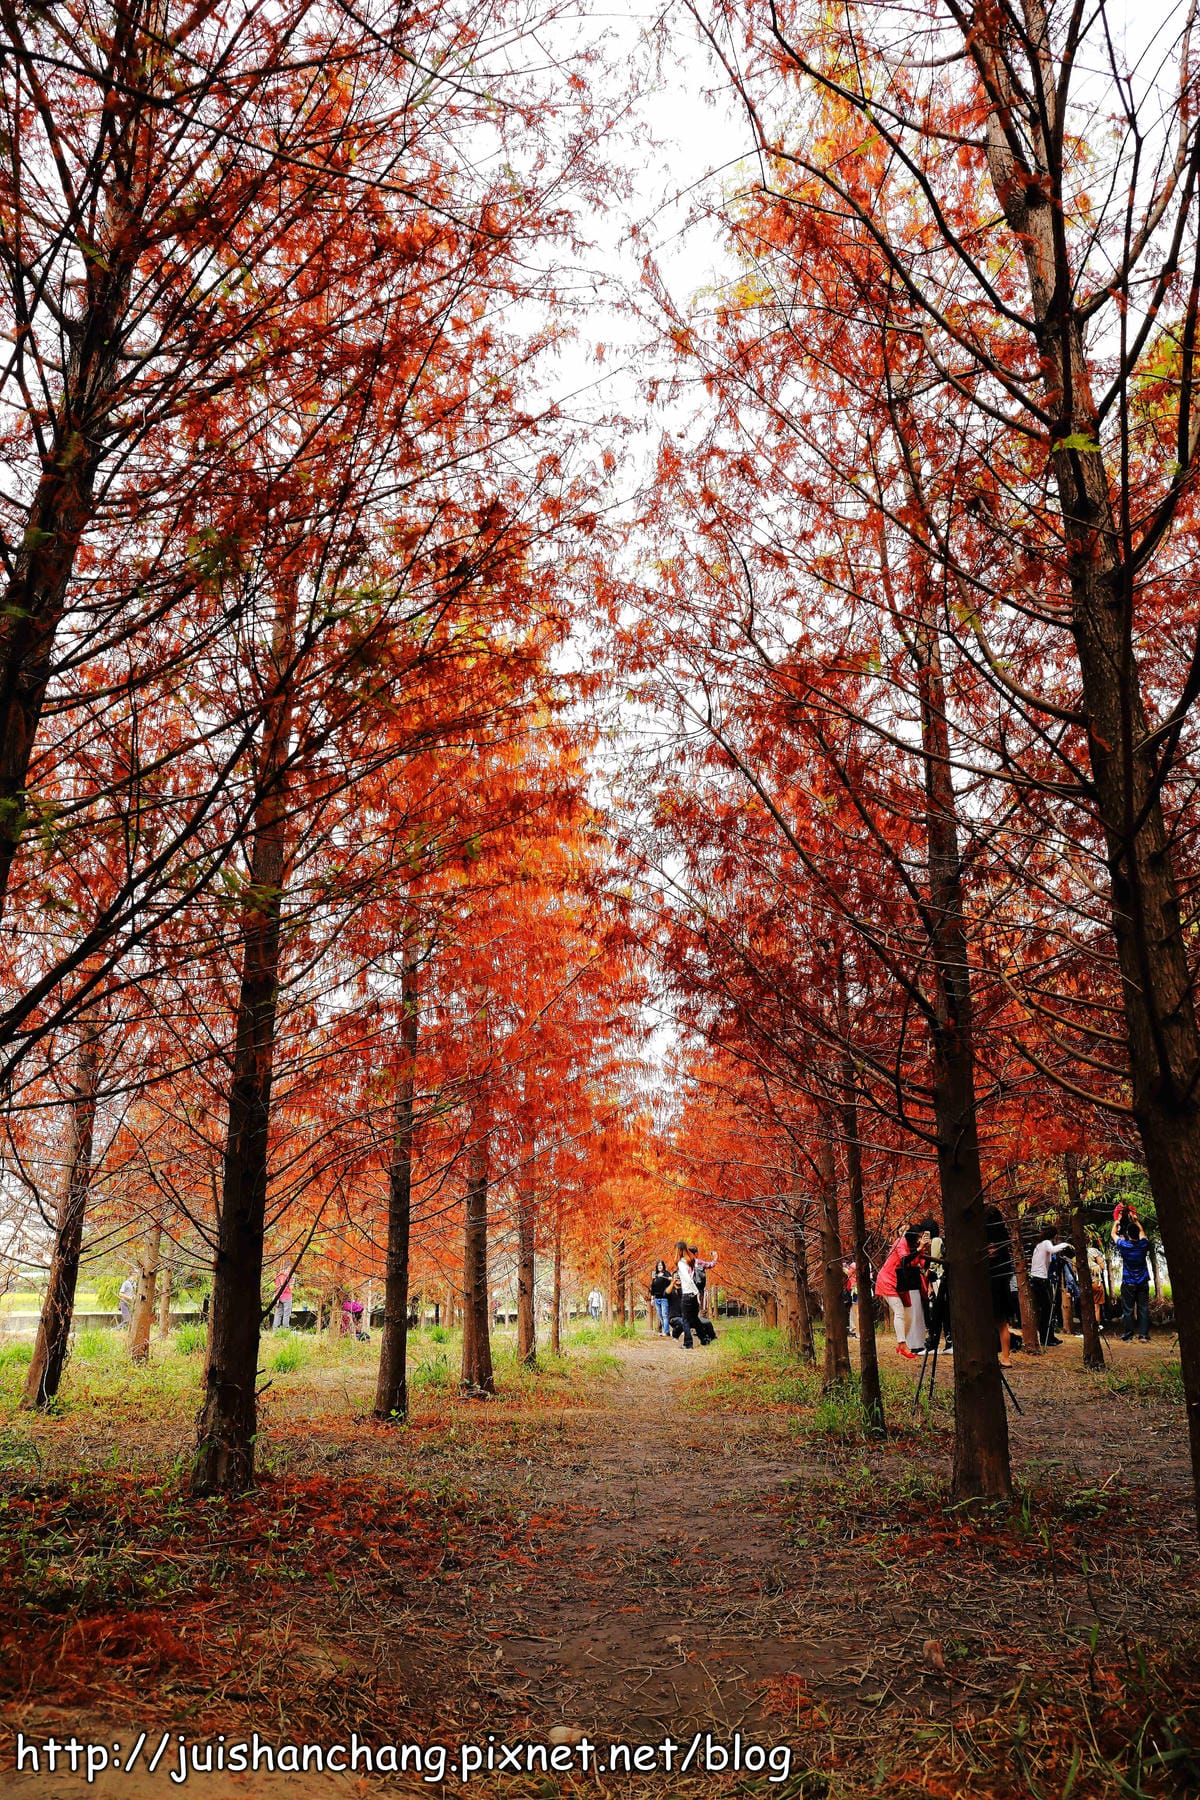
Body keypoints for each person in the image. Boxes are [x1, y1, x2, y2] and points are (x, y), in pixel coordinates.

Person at [874, 1227, 920, 1360]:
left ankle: (902, 1344)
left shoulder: (912, 1245)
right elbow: (904, 1260)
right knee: (899, 1311)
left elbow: (915, 1262)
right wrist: (918, 1249)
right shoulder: (900, 1242)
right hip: (888, 1280)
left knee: (909, 1313)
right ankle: (902, 1344)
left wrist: (920, 1250)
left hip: (901, 1282)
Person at [984, 1204, 1015, 1367]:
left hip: (990, 1281)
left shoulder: (983, 1239)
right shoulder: (1003, 1238)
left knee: (990, 1321)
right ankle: (1005, 1356)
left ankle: (997, 1356)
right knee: (1002, 1322)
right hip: (1002, 1281)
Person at [1112, 1215, 1152, 1342]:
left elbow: (1113, 1234)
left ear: (1128, 1234)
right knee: (1143, 1308)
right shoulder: (1143, 1245)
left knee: (1128, 1310)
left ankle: (1129, 1335)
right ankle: (1143, 1335)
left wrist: (1117, 1222)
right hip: (1143, 1281)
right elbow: (1142, 1233)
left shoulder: (1124, 1246)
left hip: (1129, 1282)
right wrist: (1136, 1221)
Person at [1030, 1232, 1071, 1346]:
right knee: (1047, 1310)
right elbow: (1053, 1250)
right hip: (1040, 1279)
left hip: (1040, 1279)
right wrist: (1065, 1244)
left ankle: (1050, 1336)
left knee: (1047, 1310)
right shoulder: (1046, 1243)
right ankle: (1046, 1338)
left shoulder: (1039, 1245)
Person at [675, 1240, 704, 1349]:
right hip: (693, 1294)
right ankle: (704, 1338)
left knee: (685, 1320)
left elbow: (688, 1280)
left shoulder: (681, 1263)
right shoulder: (691, 1261)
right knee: (695, 1318)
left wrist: (696, 1292)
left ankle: (688, 1343)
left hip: (688, 1294)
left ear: (678, 1251)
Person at [689, 1245, 717, 1316]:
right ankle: (701, 1322)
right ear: (696, 1253)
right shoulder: (699, 1262)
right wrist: (715, 1257)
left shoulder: (685, 1263)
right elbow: (711, 1264)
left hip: (690, 1290)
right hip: (700, 1289)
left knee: (691, 1309)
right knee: (702, 1308)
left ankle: (692, 1324)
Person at [648, 1260, 672, 1336]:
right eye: (658, 1266)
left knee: (665, 1315)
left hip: (664, 1298)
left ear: (663, 1266)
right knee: (660, 1315)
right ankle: (666, 1330)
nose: (660, 1267)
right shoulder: (655, 1275)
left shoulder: (667, 1274)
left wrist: (670, 1279)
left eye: (661, 1265)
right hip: (657, 1298)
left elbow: (671, 1282)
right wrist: (652, 1298)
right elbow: (653, 1287)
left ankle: (665, 1332)